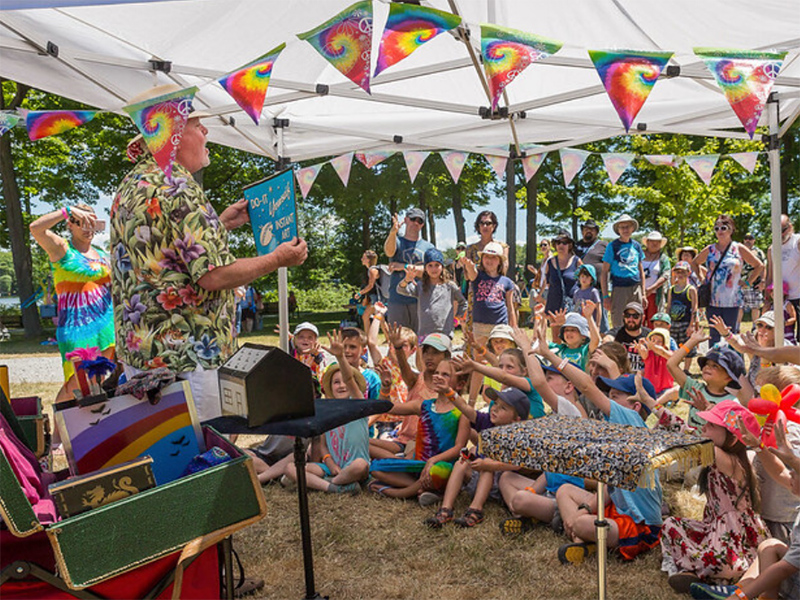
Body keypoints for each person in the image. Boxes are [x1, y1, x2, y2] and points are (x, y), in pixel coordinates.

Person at [111, 84, 307, 421]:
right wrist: (278, 258)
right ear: (172, 135)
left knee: (165, 459)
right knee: (204, 460)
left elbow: (164, 255)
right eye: (197, 124)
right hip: (189, 358)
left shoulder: (131, 186)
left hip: (142, 357)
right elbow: (213, 275)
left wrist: (220, 224)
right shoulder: (180, 187)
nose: (206, 131)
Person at [535, 349, 663, 565]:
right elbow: (609, 486)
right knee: (566, 491)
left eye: (614, 397)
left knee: (583, 524)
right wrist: (586, 508)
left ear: (635, 406)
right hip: (617, 510)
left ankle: (581, 533)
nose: (606, 401)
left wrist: (550, 355)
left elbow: (586, 386)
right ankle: (583, 539)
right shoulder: (616, 435)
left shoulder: (632, 421)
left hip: (642, 526)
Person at [660, 401, 767, 593]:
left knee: (716, 558)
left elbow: (688, 435)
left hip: (732, 544)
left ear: (733, 439)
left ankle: (698, 573)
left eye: (712, 425)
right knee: (670, 525)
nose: (704, 428)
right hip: (714, 530)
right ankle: (698, 575)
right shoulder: (726, 457)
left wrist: (653, 405)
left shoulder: (726, 459)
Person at [29, 203, 115, 404]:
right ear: (70, 224)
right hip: (76, 329)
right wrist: (66, 211)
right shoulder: (61, 249)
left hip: (105, 327)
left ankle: (87, 431)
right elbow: (35, 228)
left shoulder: (101, 254)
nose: (87, 228)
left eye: (91, 222)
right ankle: (57, 434)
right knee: (76, 385)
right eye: (81, 222)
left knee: (96, 384)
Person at [424, 387, 530, 528]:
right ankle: (446, 509)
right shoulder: (487, 422)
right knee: (461, 463)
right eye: (496, 403)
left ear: (516, 419)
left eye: (503, 408)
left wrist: (489, 465)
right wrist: (449, 391)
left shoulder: (517, 435)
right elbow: (465, 409)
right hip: (476, 478)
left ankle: (476, 509)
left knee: (487, 465)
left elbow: (517, 465)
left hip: (498, 485)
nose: (495, 409)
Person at [369, 358, 471, 502]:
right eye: (437, 373)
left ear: (460, 384)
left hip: (441, 466)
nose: (437, 376)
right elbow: (388, 408)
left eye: (445, 375)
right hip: (418, 466)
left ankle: (400, 492)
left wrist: (433, 460)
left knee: (438, 471)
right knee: (376, 467)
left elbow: (459, 447)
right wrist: (386, 388)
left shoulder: (462, 411)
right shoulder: (423, 406)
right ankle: (425, 490)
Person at [283, 331, 370, 494]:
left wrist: (340, 357)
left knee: (360, 465)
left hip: (355, 468)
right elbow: (323, 446)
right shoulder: (327, 412)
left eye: (344, 381)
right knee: (290, 468)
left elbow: (350, 379)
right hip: (332, 467)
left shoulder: (359, 406)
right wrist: (331, 465)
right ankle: (333, 487)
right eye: (336, 382)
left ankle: (328, 483)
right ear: (330, 387)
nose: (342, 385)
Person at [694, 214, 764, 345]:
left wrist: (747, 282)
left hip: (732, 301)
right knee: (714, 335)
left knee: (731, 335)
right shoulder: (710, 249)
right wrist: (702, 278)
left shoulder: (738, 248)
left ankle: (733, 363)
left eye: (723, 227)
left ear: (731, 229)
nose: (720, 231)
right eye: (716, 228)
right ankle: (713, 363)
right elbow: (694, 262)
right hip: (712, 300)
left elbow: (759, 265)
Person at [667, 329, 745, 430]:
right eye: (706, 364)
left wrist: (709, 410)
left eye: (715, 366)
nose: (707, 367)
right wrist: (692, 341)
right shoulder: (695, 388)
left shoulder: (732, 403)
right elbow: (671, 364)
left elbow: (730, 434)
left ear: (728, 377)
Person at [396, 247, 466, 339]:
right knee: (424, 353)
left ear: (442, 267)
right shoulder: (420, 286)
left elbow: (463, 303)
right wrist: (406, 280)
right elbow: (401, 289)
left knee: (442, 353)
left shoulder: (450, 286)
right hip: (424, 333)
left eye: (437, 265)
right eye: (430, 265)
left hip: (445, 332)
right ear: (425, 268)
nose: (434, 269)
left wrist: (457, 318)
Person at [383, 208, 434, 331]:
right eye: (412, 219)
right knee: (397, 342)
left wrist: (403, 266)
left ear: (422, 225)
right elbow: (388, 252)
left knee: (420, 342)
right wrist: (393, 232)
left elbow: (431, 271)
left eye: (420, 221)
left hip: (420, 301)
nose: (416, 223)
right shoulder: (397, 241)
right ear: (405, 220)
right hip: (397, 300)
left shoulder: (428, 246)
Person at [601, 214, 647, 329]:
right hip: (619, 288)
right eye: (622, 227)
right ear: (618, 230)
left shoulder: (636, 246)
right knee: (618, 321)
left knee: (636, 319)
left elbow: (641, 270)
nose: (625, 230)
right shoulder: (613, 246)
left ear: (632, 228)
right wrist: (606, 296)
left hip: (636, 288)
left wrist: (643, 293)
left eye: (628, 227)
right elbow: (604, 272)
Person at [767, 214, 800, 343]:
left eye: (782, 230)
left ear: (790, 227)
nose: (779, 234)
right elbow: (770, 275)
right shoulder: (772, 249)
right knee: (781, 336)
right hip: (780, 299)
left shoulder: (797, 242)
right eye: (775, 231)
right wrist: (767, 298)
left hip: (798, 297)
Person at [542, 231, 582, 332]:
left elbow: (585, 282)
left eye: (564, 242)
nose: (561, 245)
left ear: (570, 245)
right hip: (554, 305)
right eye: (558, 242)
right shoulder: (550, 262)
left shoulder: (577, 261)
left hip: (572, 305)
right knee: (556, 339)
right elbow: (547, 282)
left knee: (572, 336)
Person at [668, 260, 699, 373]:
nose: (680, 274)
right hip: (674, 322)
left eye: (683, 272)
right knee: (674, 345)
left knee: (687, 347)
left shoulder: (691, 289)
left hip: (685, 322)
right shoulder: (672, 289)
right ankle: (675, 367)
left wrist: (692, 325)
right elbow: (669, 305)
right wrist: (667, 321)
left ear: (688, 273)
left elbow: (694, 308)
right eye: (678, 272)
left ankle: (686, 369)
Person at [606, 301, 651, 372]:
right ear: (623, 316)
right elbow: (608, 339)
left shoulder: (649, 335)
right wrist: (608, 342)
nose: (631, 319)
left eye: (635, 316)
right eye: (627, 315)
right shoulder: (617, 333)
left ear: (643, 317)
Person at [641, 230, 671, 327]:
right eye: (652, 241)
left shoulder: (663, 258)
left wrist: (652, 288)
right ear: (647, 242)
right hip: (639, 294)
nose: (654, 244)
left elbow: (666, 275)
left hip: (655, 295)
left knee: (653, 321)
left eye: (657, 241)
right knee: (639, 319)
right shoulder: (639, 256)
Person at [739, 232, 766, 326]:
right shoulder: (738, 251)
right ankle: (736, 327)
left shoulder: (758, 252)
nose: (748, 240)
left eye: (750, 238)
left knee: (755, 307)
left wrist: (763, 281)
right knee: (739, 307)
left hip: (755, 284)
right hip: (740, 284)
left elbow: (763, 267)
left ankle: (755, 327)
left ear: (754, 240)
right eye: (746, 238)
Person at [356, 250, 381, 332]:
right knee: (378, 319)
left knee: (367, 316)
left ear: (368, 260)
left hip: (376, 298)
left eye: (363, 258)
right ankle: (389, 340)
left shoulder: (372, 270)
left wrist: (360, 293)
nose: (361, 259)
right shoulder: (370, 270)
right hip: (374, 297)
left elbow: (371, 286)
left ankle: (368, 339)